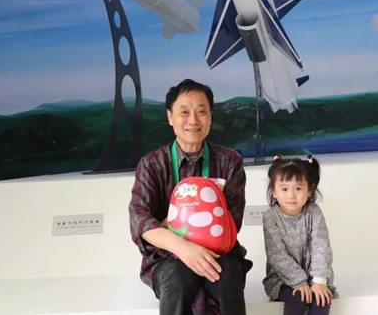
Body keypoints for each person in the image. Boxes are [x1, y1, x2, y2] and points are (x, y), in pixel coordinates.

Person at [128, 79, 252, 315]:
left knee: (226, 277)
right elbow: (140, 220)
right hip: (167, 257)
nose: (193, 120)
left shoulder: (230, 162)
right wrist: (183, 247)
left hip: (219, 253)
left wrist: (169, 224)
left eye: (201, 112)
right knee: (177, 277)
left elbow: (231, 222)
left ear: (210, 116)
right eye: (184, 112)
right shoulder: (152, 165)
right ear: (170, 117)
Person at [262, 156, 337, 315]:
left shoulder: (314, 212)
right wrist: (299, 282)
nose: (291, 195)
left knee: (321, 300)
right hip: (282, 278)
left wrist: (319, 281)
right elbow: (277, 255)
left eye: (298, 188)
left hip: (314, 275)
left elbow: (321, 246)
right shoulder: (271, 217)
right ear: (274, 191)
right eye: (284, 189)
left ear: (309, 190)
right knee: (298, 298)